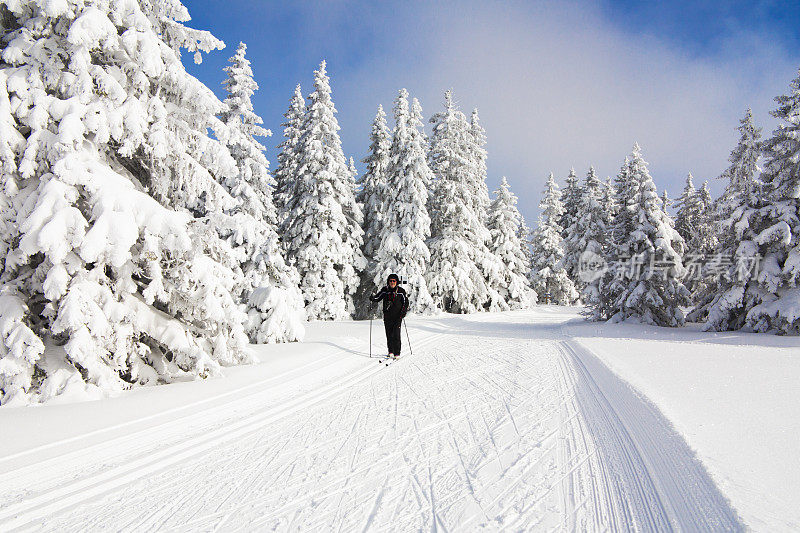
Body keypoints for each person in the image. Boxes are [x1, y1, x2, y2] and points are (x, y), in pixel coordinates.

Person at [369, 273, 409, 358]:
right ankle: (390, 351)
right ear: (388, 282)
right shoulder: (385, 290)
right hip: (387, 316)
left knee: (396, 335)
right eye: (390, 281)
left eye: (394, 281)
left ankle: (397, 353)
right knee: (389, 334)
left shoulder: (401, 291)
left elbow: (406, 303)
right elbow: (378, 297)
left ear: (396, 282)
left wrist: (403, 312)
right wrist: (372, 298)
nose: (392, 282)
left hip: (398, 316)